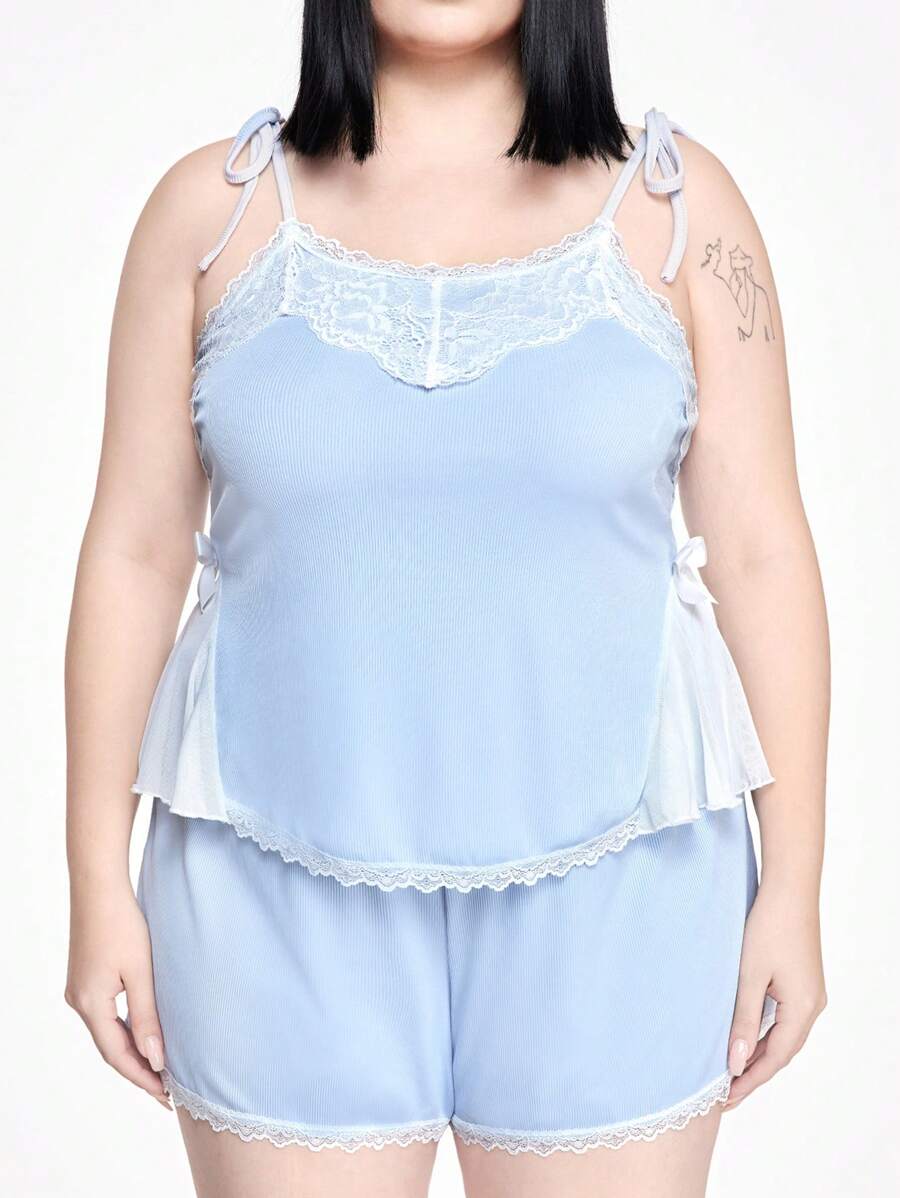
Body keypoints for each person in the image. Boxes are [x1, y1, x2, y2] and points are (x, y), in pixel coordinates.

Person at [64, 3, 829, 1195]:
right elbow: (135, 552)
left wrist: (794, 890)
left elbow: (764, 553)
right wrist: (96, 885)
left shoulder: (680, 215)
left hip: (622, 883)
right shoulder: (211, 219)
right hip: (269, 879)